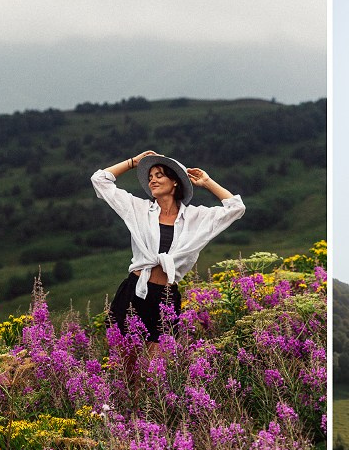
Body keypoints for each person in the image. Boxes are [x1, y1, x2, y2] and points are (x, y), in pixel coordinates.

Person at [91, 150, 245, 349]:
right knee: (128, 372)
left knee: (156, 372)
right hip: (134, 291)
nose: (152, 181)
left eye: (159, 175)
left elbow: (236, 208)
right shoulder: (138, 209)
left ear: (175, 182)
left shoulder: (195, 217)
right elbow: (99, 180)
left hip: (166, 296)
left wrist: (207, 182)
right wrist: (133, 162)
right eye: (150, 177)